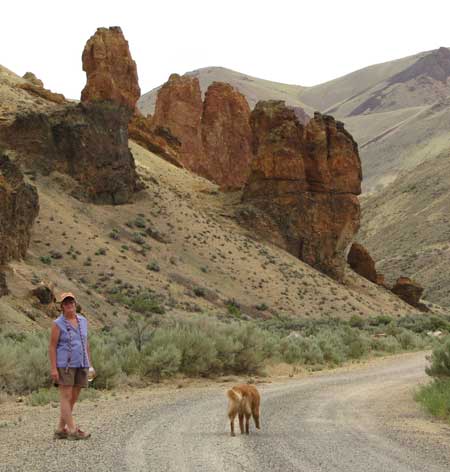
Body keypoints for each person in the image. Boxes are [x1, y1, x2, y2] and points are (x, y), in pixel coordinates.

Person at [49, 292, 93, 440]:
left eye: (71, 302)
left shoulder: (83, 321)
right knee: (66, 396)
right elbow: (52, 346)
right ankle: (73, 430)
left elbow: (85, 343)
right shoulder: (57, 324)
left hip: (81, 363)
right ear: (62, 306)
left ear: (75, 304)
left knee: (73, 397)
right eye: (66, 303)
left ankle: (60, 429)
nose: (69, 305)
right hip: (64, 365)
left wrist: (90, 365)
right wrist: (53, 368)